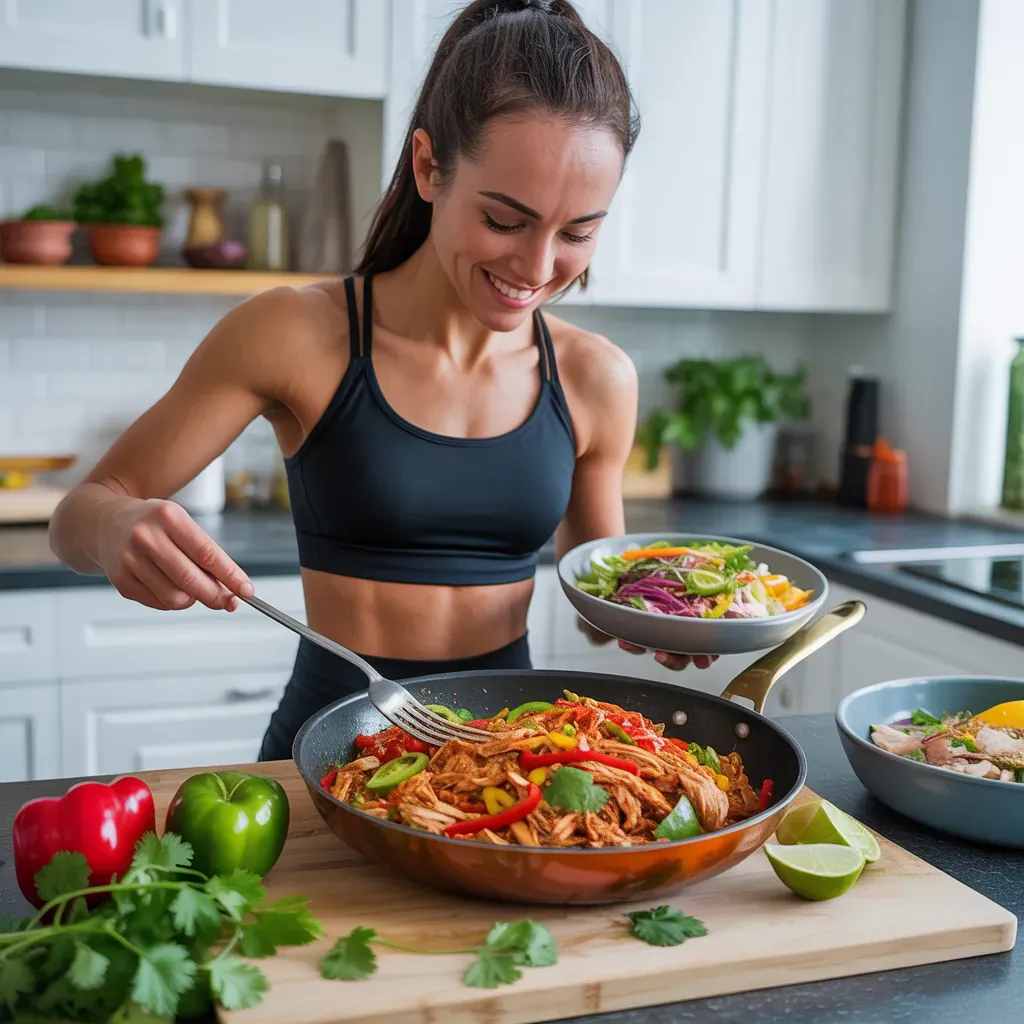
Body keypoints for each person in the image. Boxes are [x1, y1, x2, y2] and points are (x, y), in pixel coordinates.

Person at [48, 0, 714, 762]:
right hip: (328, 755)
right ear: (429, 167)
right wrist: (112, 529)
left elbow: (602, 604)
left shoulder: (597, 378)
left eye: (577, 233)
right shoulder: (297, 334)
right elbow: (79, 515)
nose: (536, 270)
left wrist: (667, 615)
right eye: (504, 220)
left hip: (511, 769)